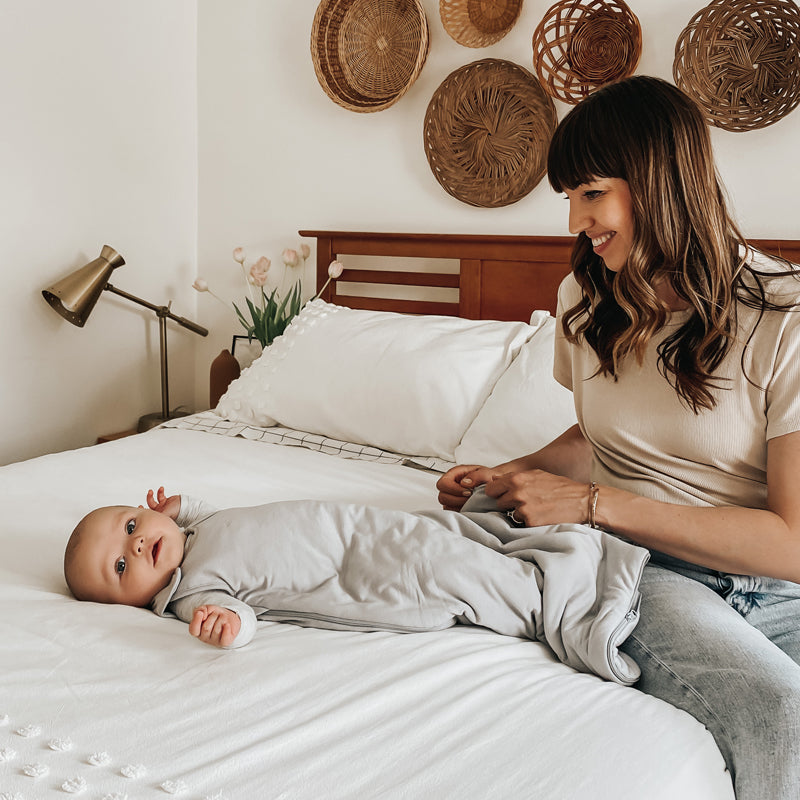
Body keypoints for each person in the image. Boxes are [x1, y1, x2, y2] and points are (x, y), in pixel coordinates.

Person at [436, 75, 800, 800]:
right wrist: (517, 473)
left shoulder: (784, 317)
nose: (576, 220)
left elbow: (794, 543)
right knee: (784, 715)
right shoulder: (586, 297)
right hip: (646, 571)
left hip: (771, 581)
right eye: (570, 198)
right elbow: (602, 434)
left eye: (590, 193)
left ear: (659, 181)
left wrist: (591, 500)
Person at [63, 486, 648, 685]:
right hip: (359, 572)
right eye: (121, 567)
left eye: (131, 525)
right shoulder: (190, 593)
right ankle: (562, 603)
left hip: (361, 529)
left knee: (445, 538)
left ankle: (549, 565)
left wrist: (181, 505)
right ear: (131, 601)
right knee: (447, 574)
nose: (137, 544)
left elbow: (215, 513)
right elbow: (240, 619)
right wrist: (228, 629)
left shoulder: (194, 531)